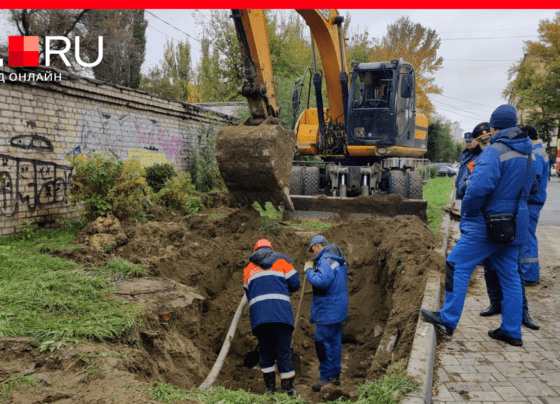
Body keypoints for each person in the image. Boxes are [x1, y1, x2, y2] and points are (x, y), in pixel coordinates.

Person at [421, 104, 537, 347]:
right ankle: (512, 330)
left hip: (488, 223)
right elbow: (533, 188)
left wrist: (470, 212)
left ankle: (448, 319)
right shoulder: (528, 153)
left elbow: (476, 190)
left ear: (495, 127)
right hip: (516, 224)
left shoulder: (494, 152)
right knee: (510, 277)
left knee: (457, 263)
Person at [243, 239, 300, 396]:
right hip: (282, 315)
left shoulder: (248, 268)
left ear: (255, 251)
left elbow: (248, 292)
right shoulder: (281, 261)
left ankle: (269, 390)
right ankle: (288, 391)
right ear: (271, 249)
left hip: (260, 319)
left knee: (266, 353)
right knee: (283, 352)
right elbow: (295, 283)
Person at [305, 235, 348, 391]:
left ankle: (326, 376)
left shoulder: (325, 260)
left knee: (322, 343)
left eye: (313, 249)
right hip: (338, 308)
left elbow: (322, 282)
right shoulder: (339, 259)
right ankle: (335, 375)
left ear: (317, 246)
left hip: (327, 310)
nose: (314, 252)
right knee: (335, 342)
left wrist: (309, 271)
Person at [520, 125, 549, 285]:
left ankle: (529, 275)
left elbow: (533, 182)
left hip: (531, 202)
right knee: (527, 236)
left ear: (526, 138)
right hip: (535, 201)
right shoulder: (540, 152)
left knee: (527, 237)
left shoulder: (535, 154)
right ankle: (529, 273)